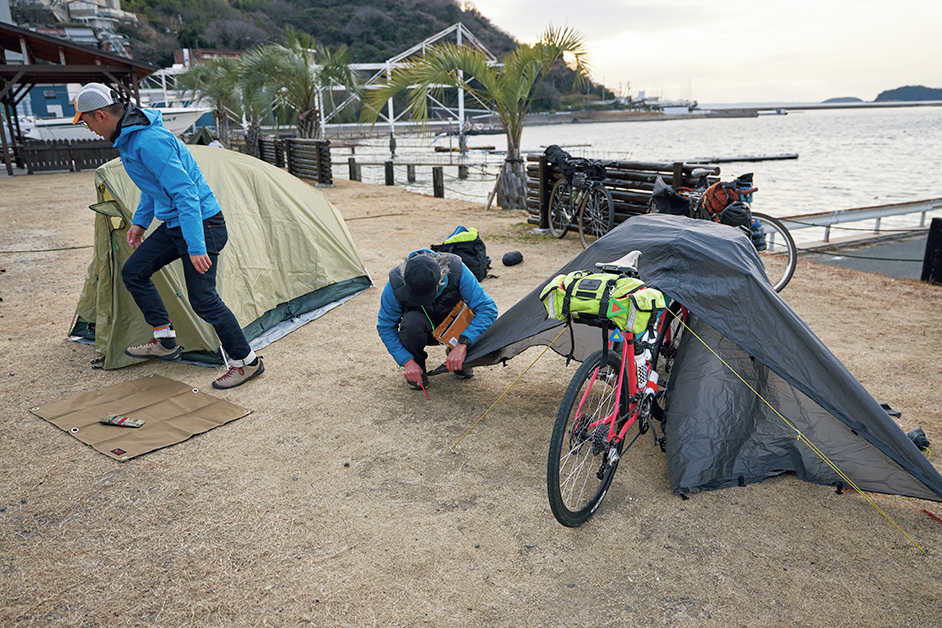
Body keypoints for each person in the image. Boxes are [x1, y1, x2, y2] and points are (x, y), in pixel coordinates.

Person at [72, 82, 264, 389]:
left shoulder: (148, 141)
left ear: (101, 115)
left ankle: (247, 362)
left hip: (202, 225)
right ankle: (164, 339)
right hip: (178, 225)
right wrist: (140, 222)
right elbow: (153, 187)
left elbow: (186, 193)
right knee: (134, 271)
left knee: (204, 301)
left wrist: (196, 246)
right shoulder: (128, 139)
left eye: (86, 121)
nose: (88, 128)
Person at [377, 249, 497, 390]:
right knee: (411, 323)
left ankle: (461, 358)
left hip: (456, 326)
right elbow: (386, 326)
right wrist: (407, 361)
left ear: (438, 282)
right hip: (423, 328)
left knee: (475, 320)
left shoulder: (458, 271)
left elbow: (487, 308)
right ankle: (417, 369)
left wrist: (462, 345)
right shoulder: (395, 284)